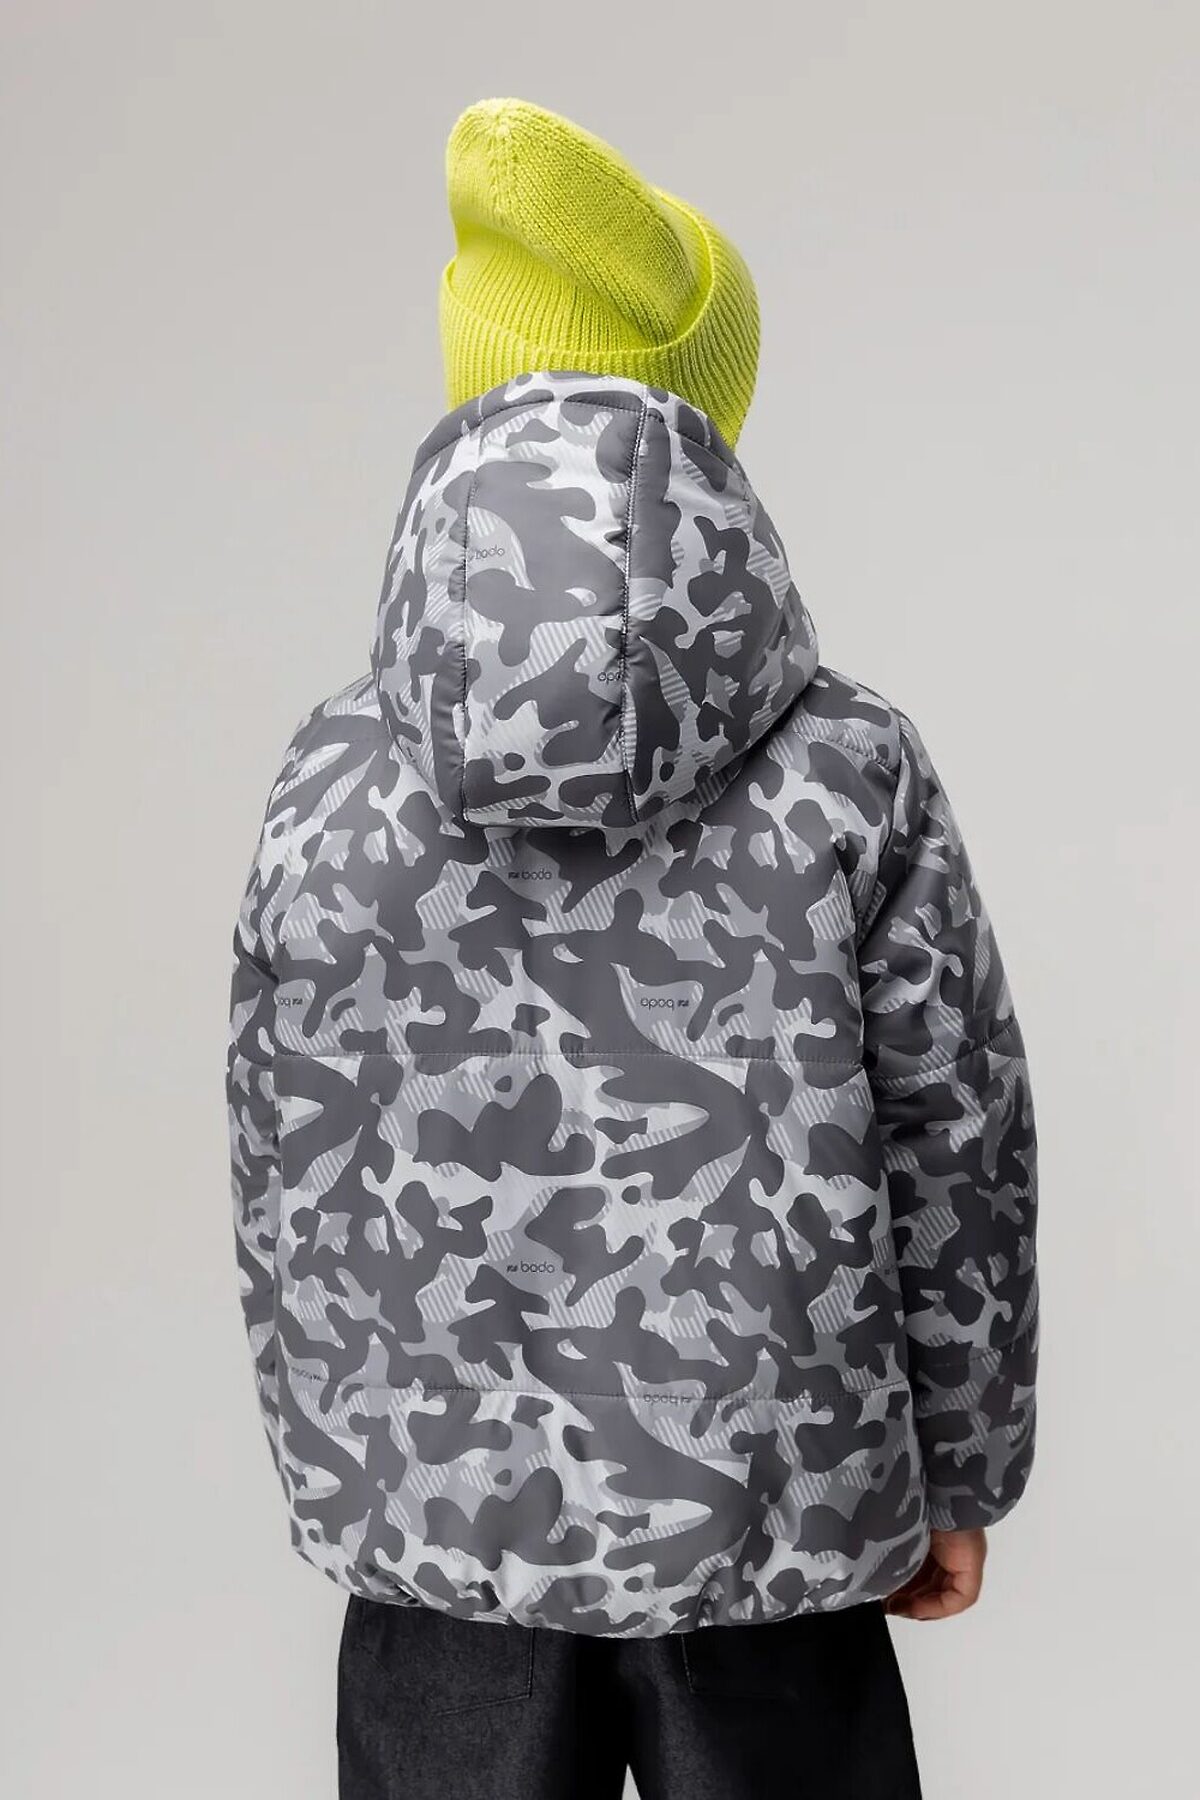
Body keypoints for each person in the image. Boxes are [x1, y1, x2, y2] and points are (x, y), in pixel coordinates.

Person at [227, 97, 1039, 1800]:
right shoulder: (851, 768)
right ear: (707, 415)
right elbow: (955, 1141)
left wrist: (342, 1461)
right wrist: (961, 1466)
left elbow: (278, 1158)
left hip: (439, 1518)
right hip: (777, 1503)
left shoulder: (331, 774)